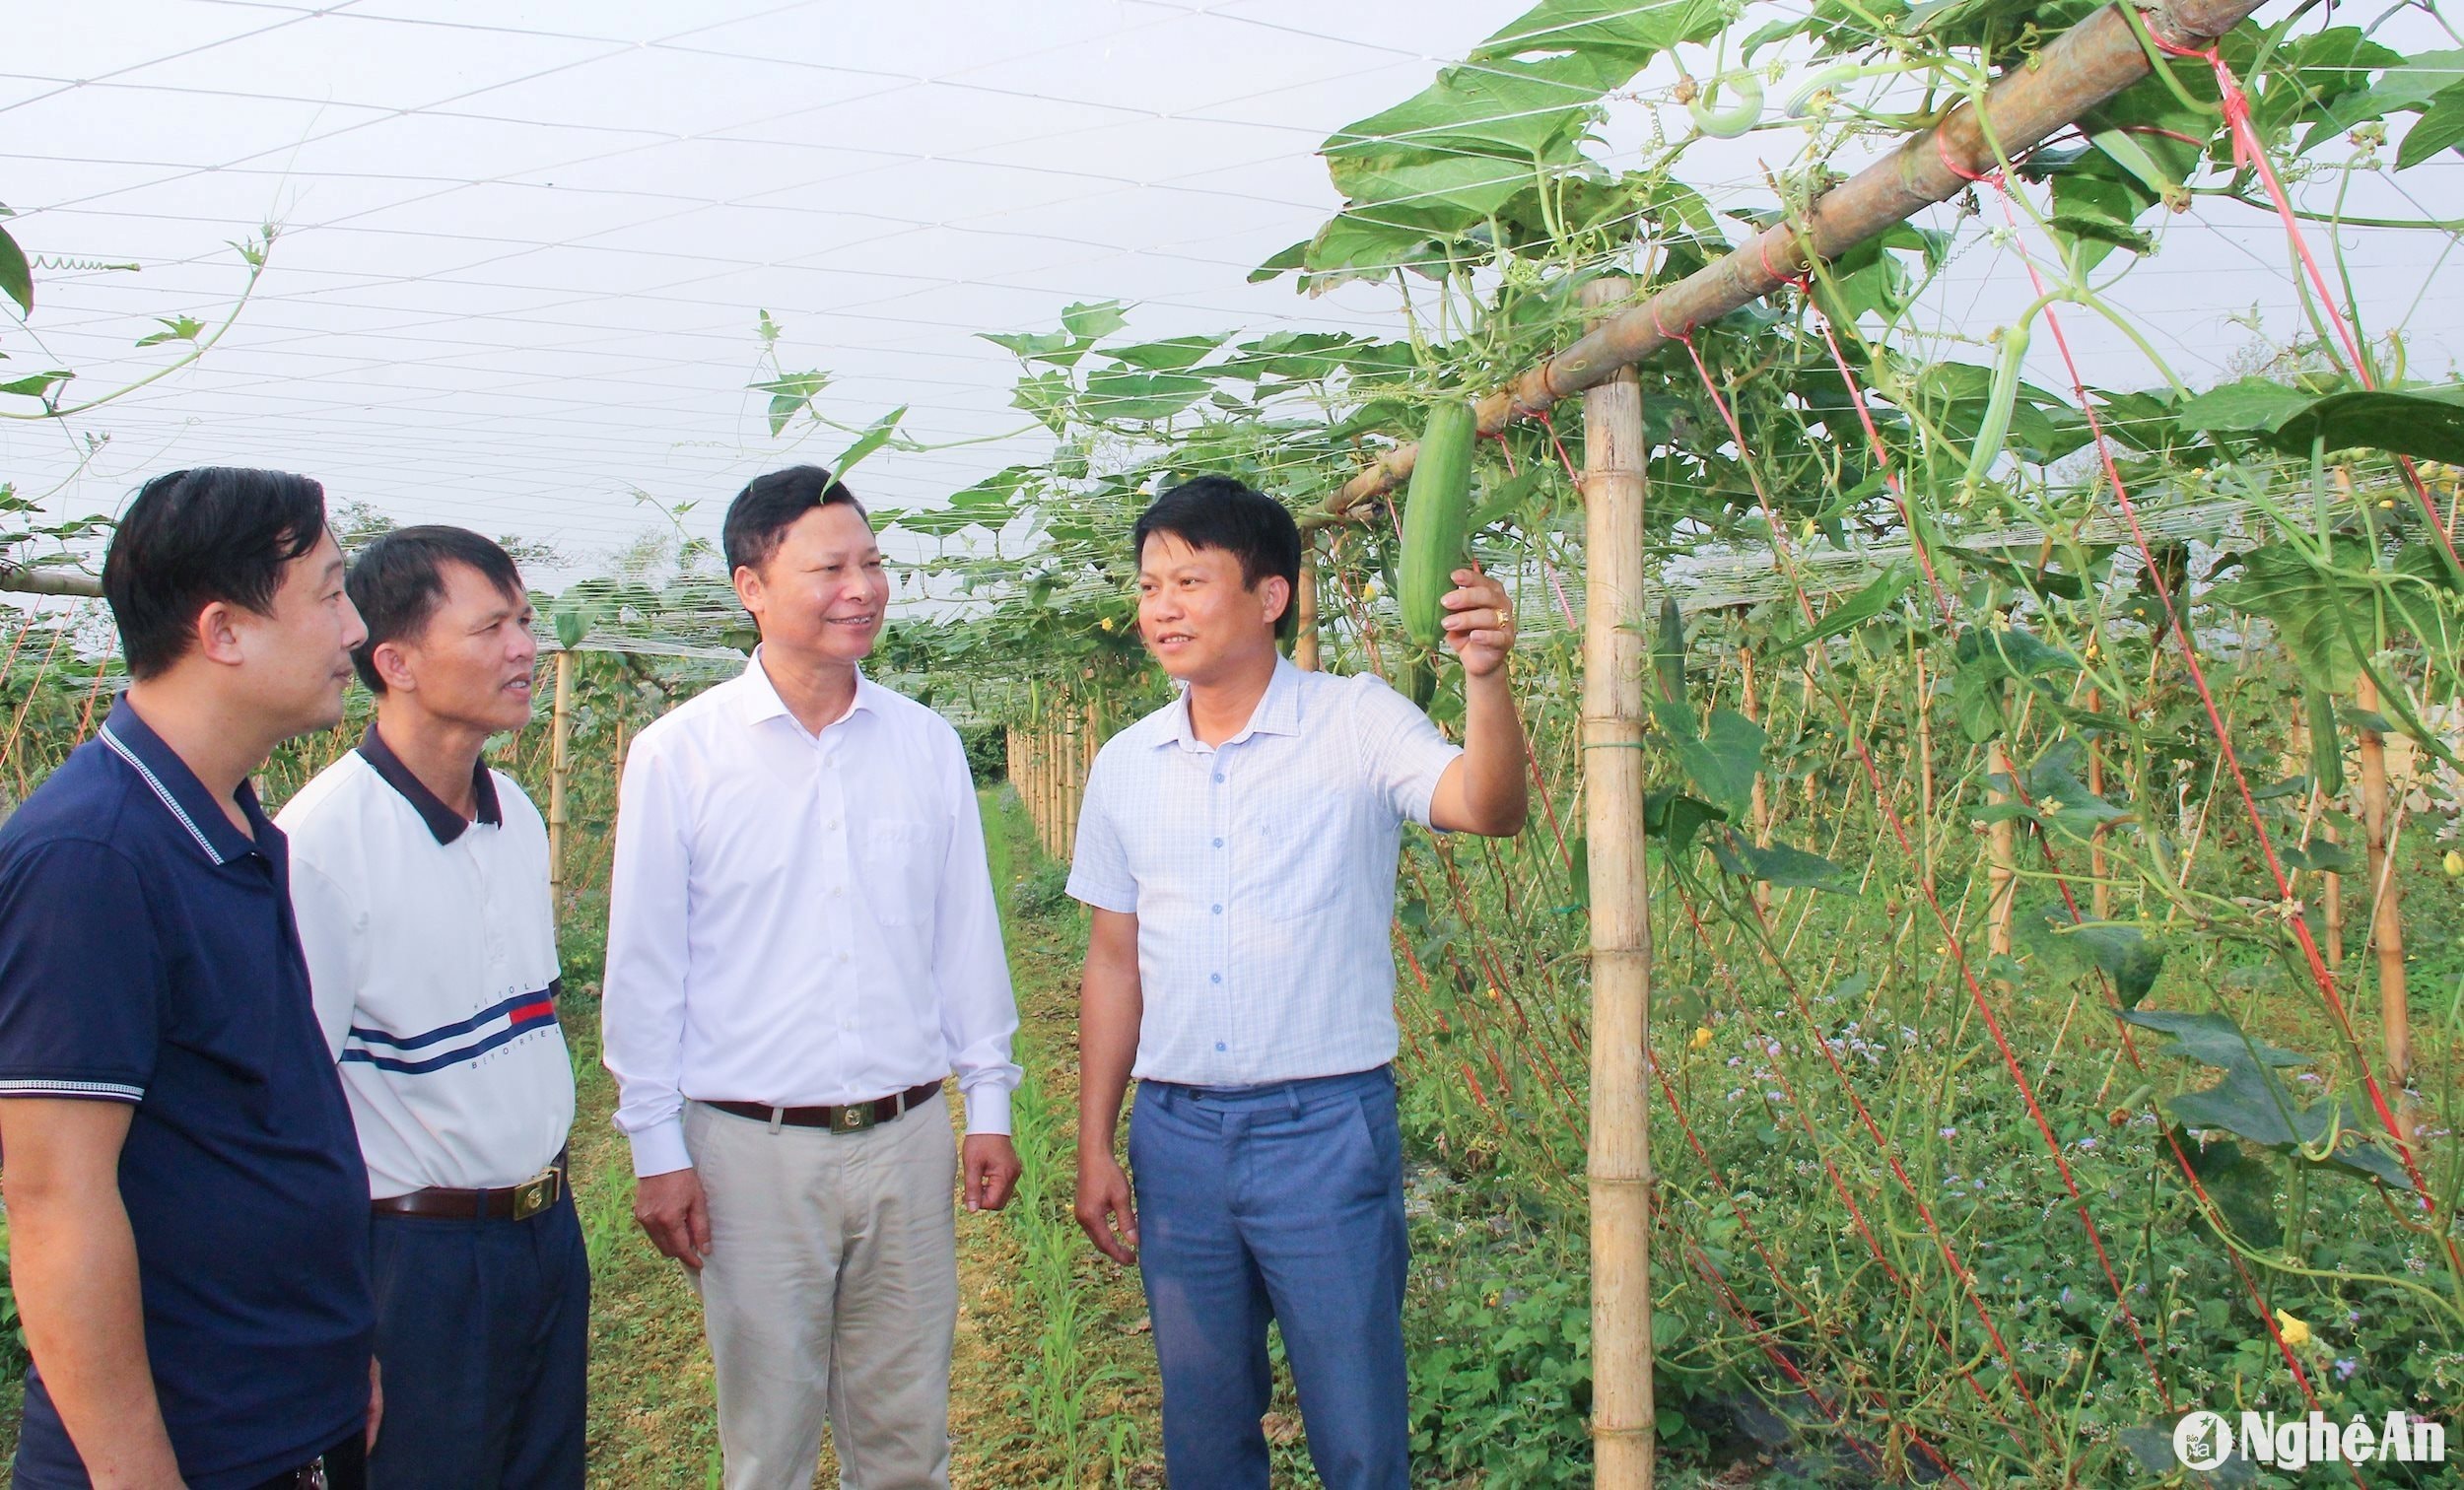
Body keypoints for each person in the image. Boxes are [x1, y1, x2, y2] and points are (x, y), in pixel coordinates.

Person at [1066, 475, 1529, 1489]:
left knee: (1357, 1427)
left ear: (1269, 595)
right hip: (1176, 1136)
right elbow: (1114, 958)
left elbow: (1486, 806)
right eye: (1149, 585)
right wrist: (1096, 1138)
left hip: (1323, 1130)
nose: (1162, 608)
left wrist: (1487, 680)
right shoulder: (1126, 764)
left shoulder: (1357, 721)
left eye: (1190, 580)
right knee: (1203, 1422)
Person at [600, 465, 1024, 1490]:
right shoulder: (680, 755)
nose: (862, 587)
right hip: (752, 1151)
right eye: (829, 566)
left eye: (872, 563)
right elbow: (646, 963)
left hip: (907, 1135)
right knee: (768, 1441)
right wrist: (656, 1144)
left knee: (908, 1433)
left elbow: (962, 933)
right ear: (752, 586)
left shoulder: (923, 745)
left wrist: (990, 1102)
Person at [0, 468, 379, 1489]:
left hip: (291, 1410)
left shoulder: (235, 824)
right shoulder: (94, 855)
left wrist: (335, 1361)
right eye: (330, 592)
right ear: (224, 631)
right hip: (193, 1449)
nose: (354, 629)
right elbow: (51, 1199)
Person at [279, 527, 583, 1489]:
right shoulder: (320, 846)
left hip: (545, 1231)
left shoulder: (516, 814)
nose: (524, 648)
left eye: (525, 622)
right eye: (491, 626)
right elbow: (291, 1114)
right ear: (395, 660)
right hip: (412, 1262)